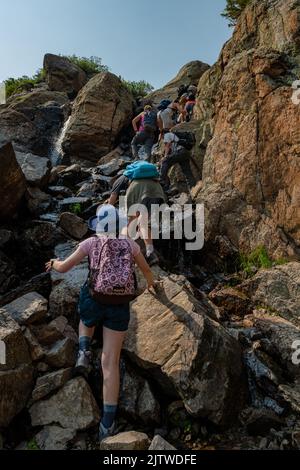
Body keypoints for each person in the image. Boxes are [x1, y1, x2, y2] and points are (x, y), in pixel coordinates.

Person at [45, 205, 156, 441]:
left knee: (86, 310)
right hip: (120, 305)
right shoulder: (129, 244)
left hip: (96, 298)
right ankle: (107, 424)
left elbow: (64, 267)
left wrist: (53, 263)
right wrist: (151, 285)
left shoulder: (91, 242)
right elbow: (146, 270)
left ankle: (84, 349)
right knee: (110, 362)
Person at [124, 162, 166, 266]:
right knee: (147, 224)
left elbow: (132, 218)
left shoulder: (133, 186)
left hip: (145, 198)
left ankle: (149, 252)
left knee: (141, 223)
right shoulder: (154, 181)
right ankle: (150, 249)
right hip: (158, 195)